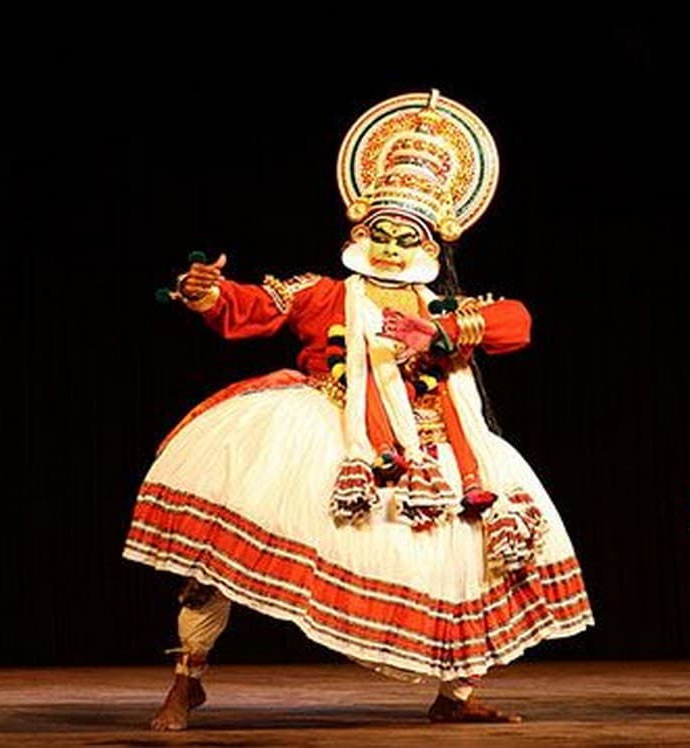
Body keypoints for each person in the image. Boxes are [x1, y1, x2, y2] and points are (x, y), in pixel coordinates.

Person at [126, 90, 593, 730]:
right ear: (359, 233)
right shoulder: (325, 294)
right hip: (332, 432)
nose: (394, 249)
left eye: (409, 239)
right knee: (221, 550)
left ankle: (455, 696)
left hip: (441, 445)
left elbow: (517, 322)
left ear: (432, 245)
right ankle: (186, 681)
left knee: (472, 559)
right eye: (382, 235)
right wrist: (208, 293)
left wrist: (445, 333)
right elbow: (254, 307)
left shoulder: (443, 307)